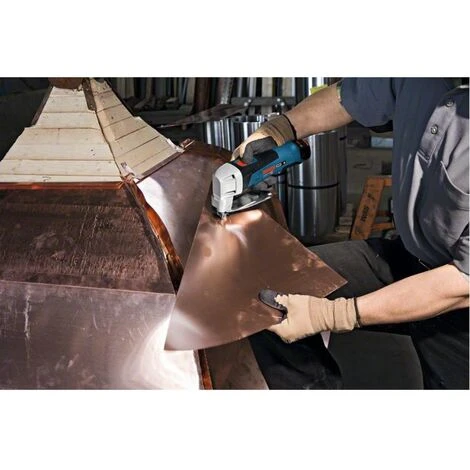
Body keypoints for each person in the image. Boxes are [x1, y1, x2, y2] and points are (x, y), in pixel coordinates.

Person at [233, 78, 469, 390]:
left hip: (457, 292)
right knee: (266, 289)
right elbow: (351, 95)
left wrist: (333, 314)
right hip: (411, 254)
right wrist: (282, 128)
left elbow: (462, 282)